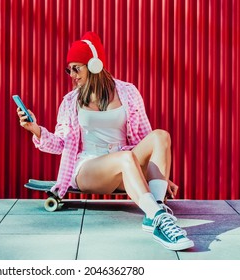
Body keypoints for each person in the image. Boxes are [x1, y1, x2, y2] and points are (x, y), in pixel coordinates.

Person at [17, 31, 194, 251]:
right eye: (68, 69)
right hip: (88, 167)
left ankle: (155, 213)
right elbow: (61, 143)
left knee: (160, 136)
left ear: (93, 65)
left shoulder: (128, 92)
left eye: (76, 68)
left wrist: (157, 175)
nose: (71, 74)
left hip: (125, 162)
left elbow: (143, 136)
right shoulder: (71, 101)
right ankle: (159, 218)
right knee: (125, 158)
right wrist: (36, 130)